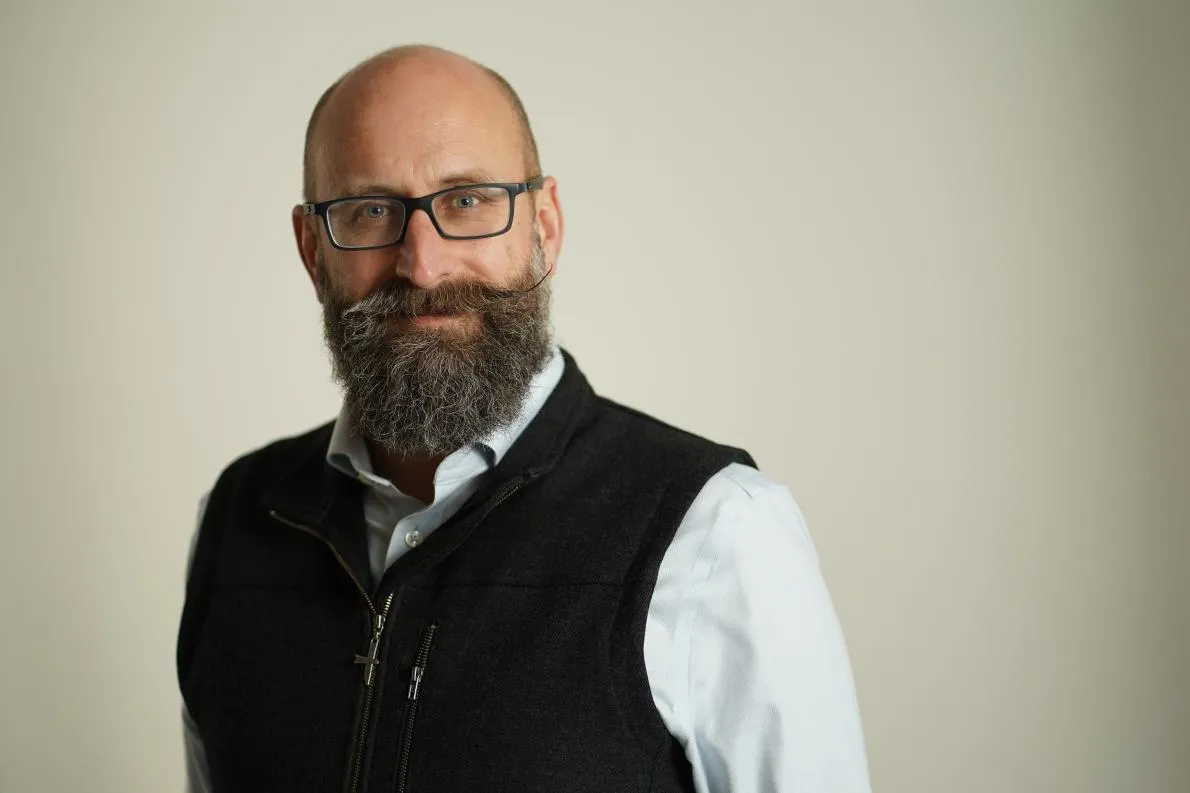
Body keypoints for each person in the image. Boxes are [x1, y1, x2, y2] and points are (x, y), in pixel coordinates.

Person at [177, 44, 871, 793]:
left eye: (468, 200)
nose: (424, 263)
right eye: (371, 210)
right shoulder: (240, 521)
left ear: (545, 225)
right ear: (313, 251)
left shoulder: (717, 531)